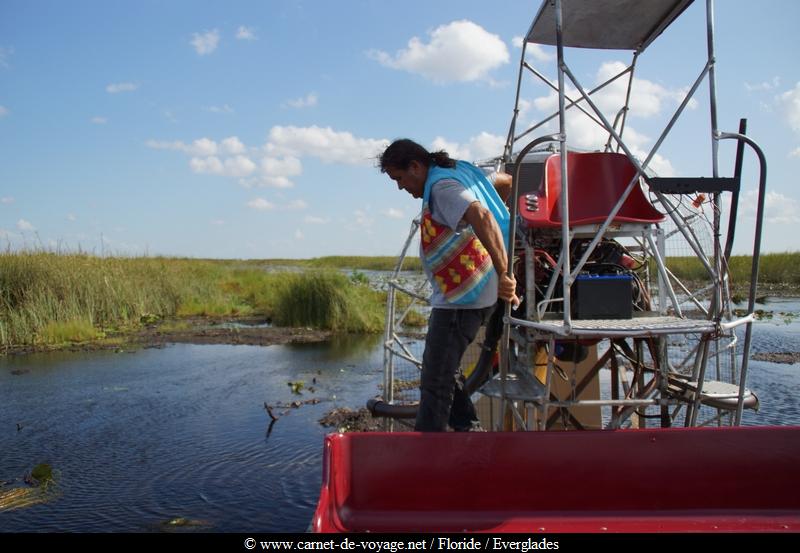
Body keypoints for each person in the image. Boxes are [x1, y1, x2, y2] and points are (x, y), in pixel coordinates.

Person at [379, 138, 519, 432]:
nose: (400, 187)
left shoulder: (442, 188)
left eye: (400, 178)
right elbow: (504, 180)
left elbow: (481, 215)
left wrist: (505, 272)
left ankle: (430, 450)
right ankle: (467, 431)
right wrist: (501, 217)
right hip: (474, 292)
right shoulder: (460, 170)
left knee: (435, 382)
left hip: (463, 299)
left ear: (416, 167)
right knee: (446, 370)